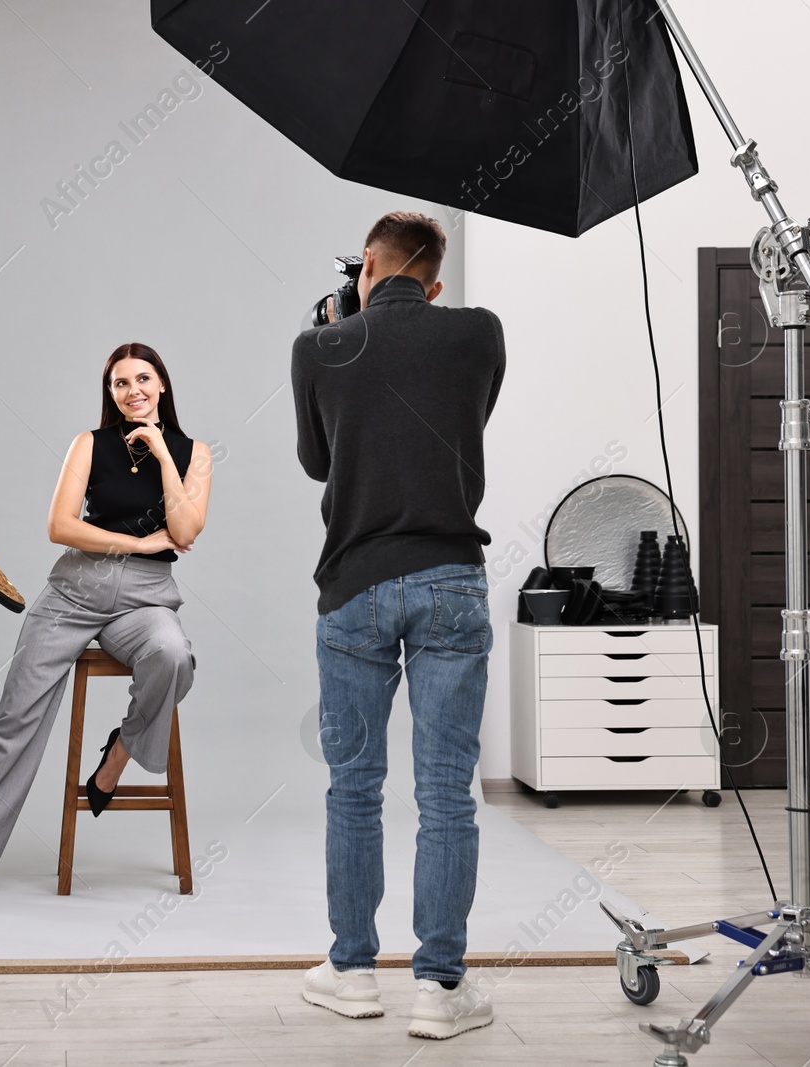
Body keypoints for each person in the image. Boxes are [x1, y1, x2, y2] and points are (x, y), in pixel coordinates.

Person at [291, 212, 505, 1038]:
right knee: (448, 791)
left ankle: (350, 970)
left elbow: (321, 460)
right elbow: (466, 419)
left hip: (354, 586)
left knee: (355, 786)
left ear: (368, 266)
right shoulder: (479, 333)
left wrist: (345, 330)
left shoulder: (319, 347)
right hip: (452, 577)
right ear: (436, 280)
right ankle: (440, 990)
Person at [0, 342, 212, 907]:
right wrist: (134, 542)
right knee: (13, 719)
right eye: (120, 384)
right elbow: (60, 525)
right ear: (110, 393)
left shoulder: (194, 453)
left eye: (143, 379)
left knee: (173, 655)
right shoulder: (90, 443)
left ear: (163, 385)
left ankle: (117, 757)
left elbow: (187, 529)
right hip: (74, 592)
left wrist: (162, 453)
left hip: (145, 600)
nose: (134, 391)